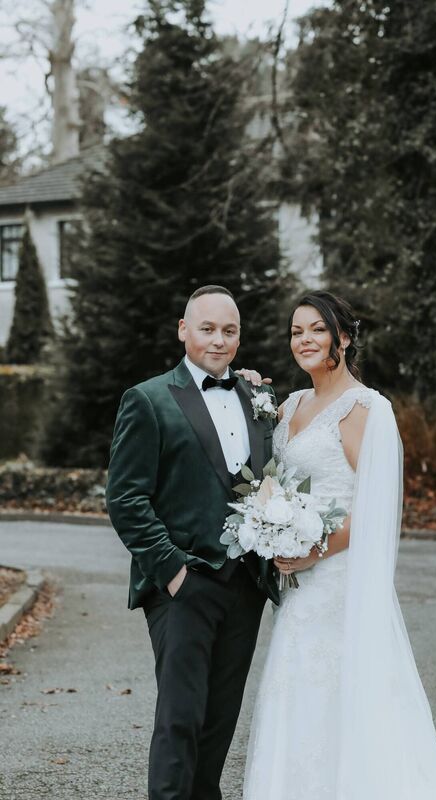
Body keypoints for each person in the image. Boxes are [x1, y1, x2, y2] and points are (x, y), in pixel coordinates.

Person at [243, 290, 436, 800]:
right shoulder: (290, 405)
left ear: (342, 337)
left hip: (339, 583)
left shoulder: (366, 409)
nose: (304, 340)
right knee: (298, 693)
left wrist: (313, 550)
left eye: (317, 329)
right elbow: (270, 476)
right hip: (297, 587)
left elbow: (374, 510)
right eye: (296, 331)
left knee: (343, 693)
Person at [106, 285, 279, 800]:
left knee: (220, 721)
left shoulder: (258, 400)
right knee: (180, 718)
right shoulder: (148, 399)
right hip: (182, 585)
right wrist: (174, 571)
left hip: (244, 587)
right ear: (184, 330)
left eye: (229, 331)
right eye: (207, 329)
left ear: (239, 338)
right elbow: (126, 499)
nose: (218, 340)